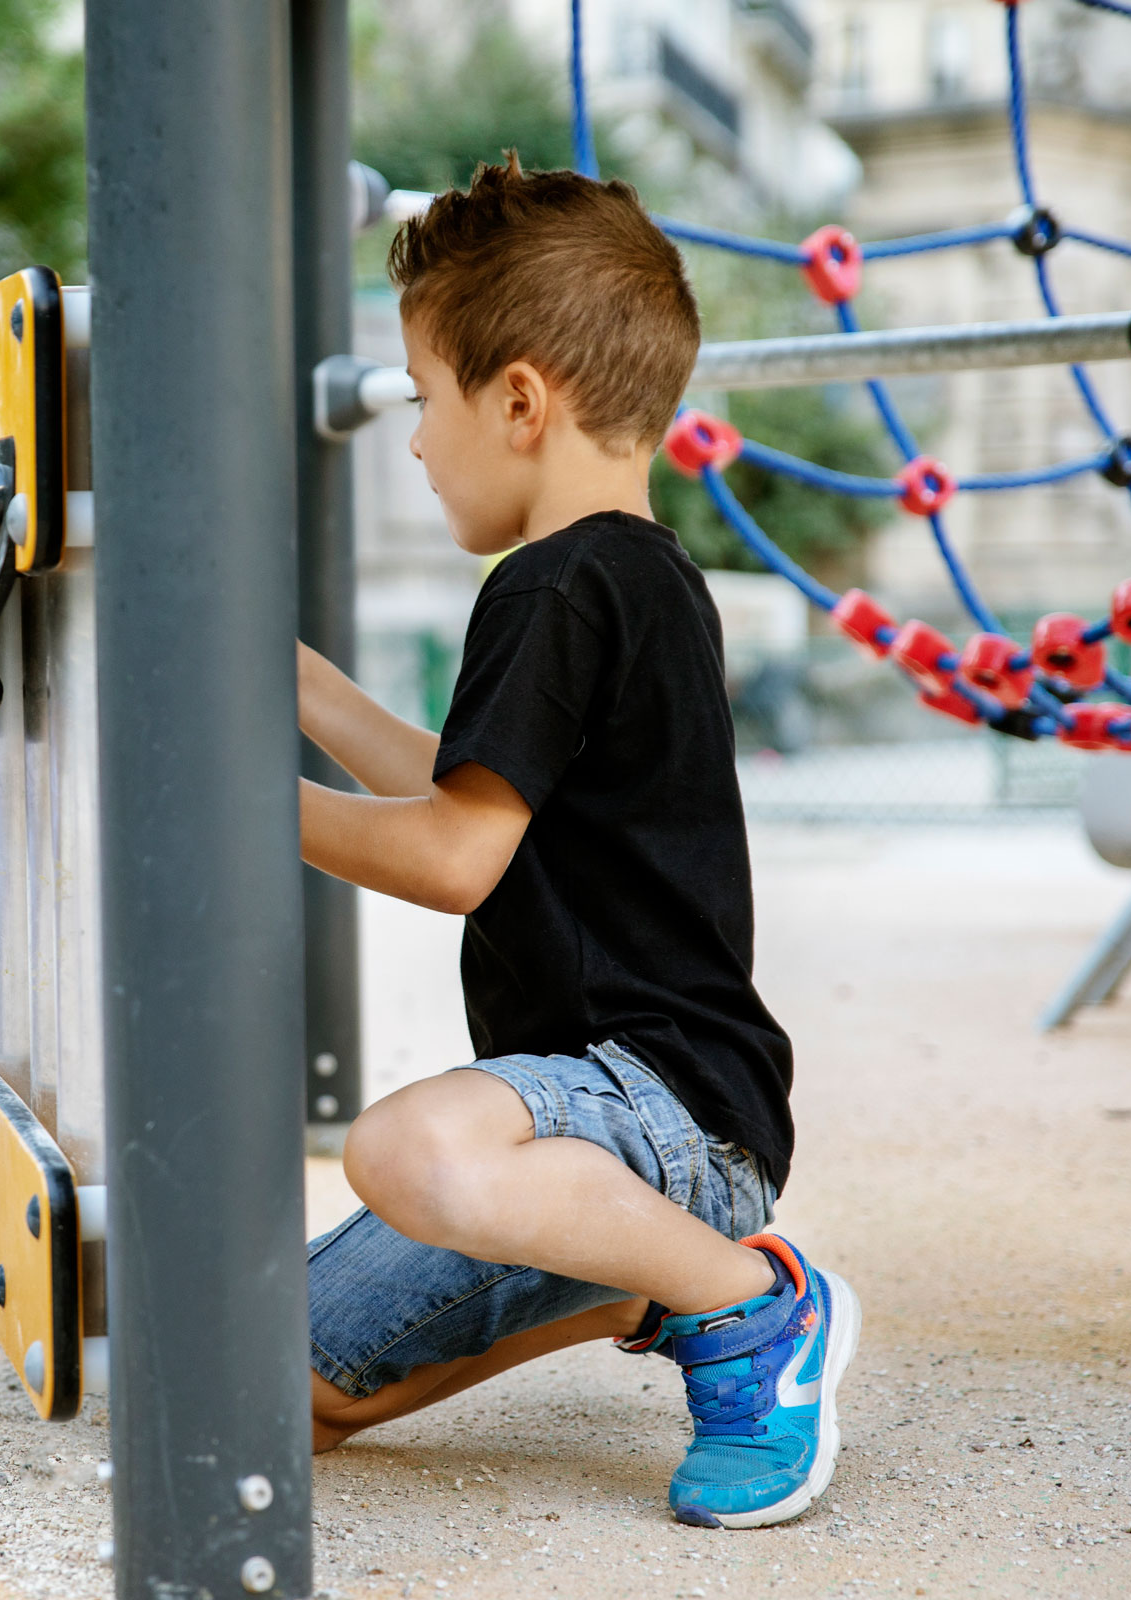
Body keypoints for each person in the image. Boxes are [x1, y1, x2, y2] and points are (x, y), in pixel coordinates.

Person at [295, 159, 858, 1530]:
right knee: (295, 1380)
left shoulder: (552, 583)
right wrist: (290, 684)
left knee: (408, 1150)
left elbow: (450, 858)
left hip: (652, 1103)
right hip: (624, 1146)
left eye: (428, 402)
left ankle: (752, 1307)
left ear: (521, 402)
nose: (420, 442)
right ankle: (643, 1275)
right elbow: (464, 797)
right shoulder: (630, 572)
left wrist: (228, 811)